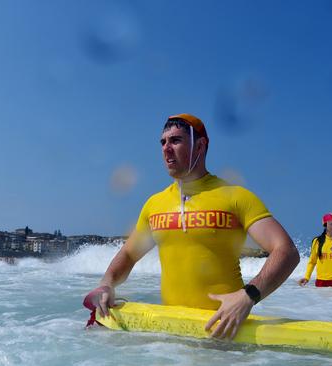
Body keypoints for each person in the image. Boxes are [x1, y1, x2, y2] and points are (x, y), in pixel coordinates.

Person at [84, 113, 300, 340]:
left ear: (200, 145)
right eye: (163, 142)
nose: (166, 148)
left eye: (175, 140)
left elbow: (286, 251)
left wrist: (248, 295)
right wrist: (106, 283)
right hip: (173, 336)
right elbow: (128, 254)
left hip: (226, 335)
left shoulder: (234, 196)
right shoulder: (154, 204)